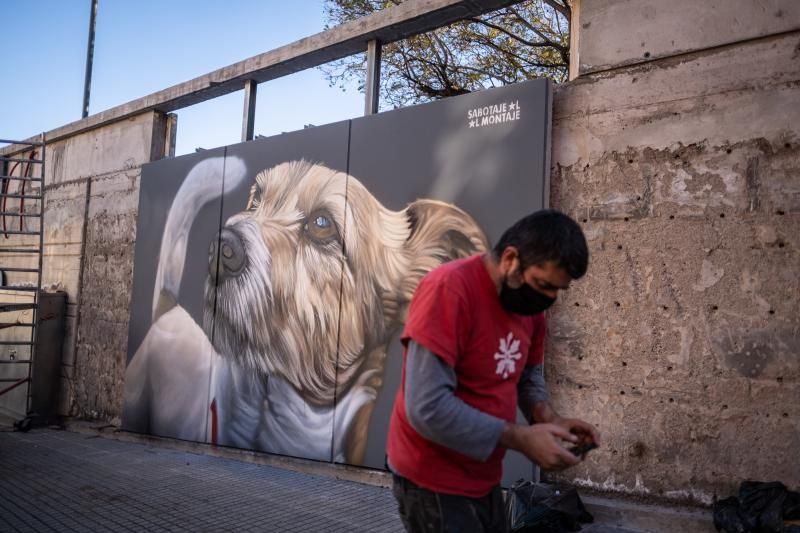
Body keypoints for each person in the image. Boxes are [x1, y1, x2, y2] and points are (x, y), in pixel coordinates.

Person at [386, 209, 600, 533]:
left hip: (484, 473)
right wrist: (521, 438)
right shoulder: (449, 289)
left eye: (558, 291)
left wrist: (549, 420)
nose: (549, 299)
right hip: (432, 478)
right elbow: (426, 407)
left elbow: (526, 375)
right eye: (543, 285)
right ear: (511, 259)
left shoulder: (531, 308)